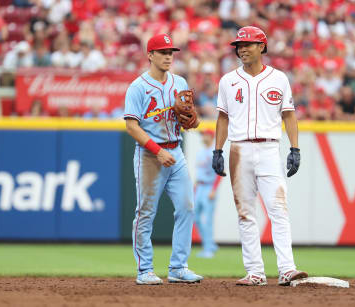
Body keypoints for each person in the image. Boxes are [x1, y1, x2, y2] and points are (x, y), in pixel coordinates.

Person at [212, 26, 308, 286]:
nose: (242, 49)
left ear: (262, 47)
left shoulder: (279, 78)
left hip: (268, 148)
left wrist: (295, 148)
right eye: (239, 45)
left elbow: (289, 115)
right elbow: (222, 118)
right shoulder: (228, 80)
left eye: (248, 44)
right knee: (245, 213)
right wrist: (218, 149)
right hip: (239, 149)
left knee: (278, 209)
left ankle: (287, 268)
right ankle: (255, 272)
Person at [124, 34, 203, 285]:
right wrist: (157, 150)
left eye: (171, 52)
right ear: (150, 55)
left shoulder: (179, 82)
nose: (169, 56)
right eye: (163, 52)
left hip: (176, 151)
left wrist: (193, 120)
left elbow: (189, 116)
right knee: (145, 213)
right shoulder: (138, 87)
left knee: (186, 207)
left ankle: (178, 267)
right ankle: (144, 270)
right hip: (150, 154)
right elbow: (131, 126)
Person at [194, 129, 221, 258]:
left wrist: (214, 189)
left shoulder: (214, 153)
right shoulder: (200, 152)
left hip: (209, 187)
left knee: (208, 219)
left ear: (210, 137)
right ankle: (210, 244)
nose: (203, 137)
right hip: (199, 187)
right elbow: (199, 173)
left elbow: (219, 173)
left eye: (205, 134)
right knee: (195, 217)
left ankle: (208, 249)